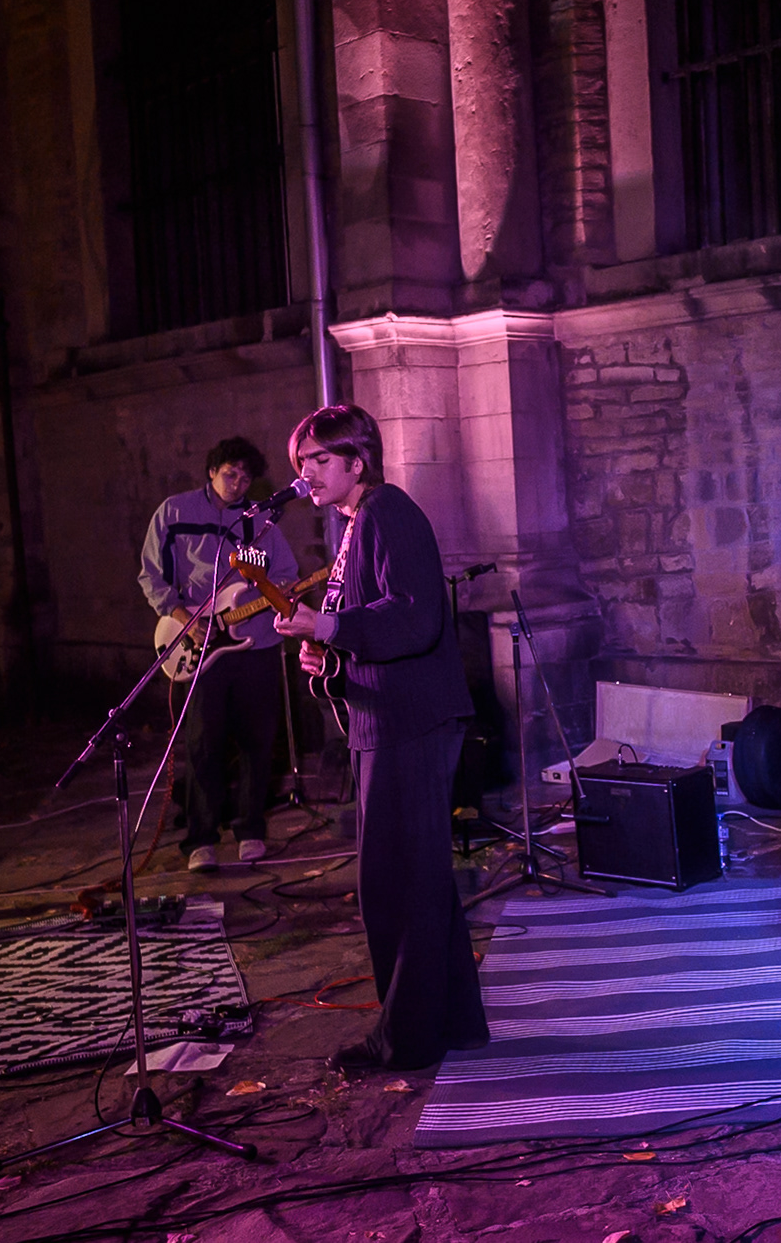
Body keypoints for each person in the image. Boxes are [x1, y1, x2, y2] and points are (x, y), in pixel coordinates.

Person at [272, 404, 487, 1071]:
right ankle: (452, 1022)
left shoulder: (388, 512)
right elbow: (370, 632)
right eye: (301, 462)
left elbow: (415, 618)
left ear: (357, 460)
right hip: (386, 718)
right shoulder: (354, 524)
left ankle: (407, 1041)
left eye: (319, 460)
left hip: (410, 722)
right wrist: (330, 660)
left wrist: (330, 628)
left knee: (397, 883)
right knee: (416, 880)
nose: (306, 474)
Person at [138, 437, 298, 872]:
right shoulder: (174, 512)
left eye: (246, 477)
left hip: (255, 644)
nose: (238, 483)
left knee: (257, 741)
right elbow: (151, 574)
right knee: (203, 743)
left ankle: (250, 830)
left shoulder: (260, 520)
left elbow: (287, 574)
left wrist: (280, 592)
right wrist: (181, 616)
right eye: (230, 473)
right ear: (211, 471)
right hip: (198, 640)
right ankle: (201, 838)